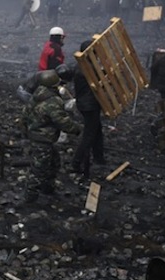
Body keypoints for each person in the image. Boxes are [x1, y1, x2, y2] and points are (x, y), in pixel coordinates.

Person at [22, 69, 81, 203]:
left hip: (36, 136)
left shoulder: (36, 95)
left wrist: (26, 131)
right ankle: (30, 198)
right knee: (39, 169)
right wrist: (77, 129)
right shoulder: (53, 101)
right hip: (43, 139)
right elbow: (62, 121)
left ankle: (48, 188)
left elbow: (24, 115)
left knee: (54, 162)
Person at [71, 39, 105, 176]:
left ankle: (99, 158)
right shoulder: (88, 68)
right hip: (90, 105)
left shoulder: (81, 65)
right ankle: (77, 162)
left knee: (97, 130)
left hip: (85, 103)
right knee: (89, 134)